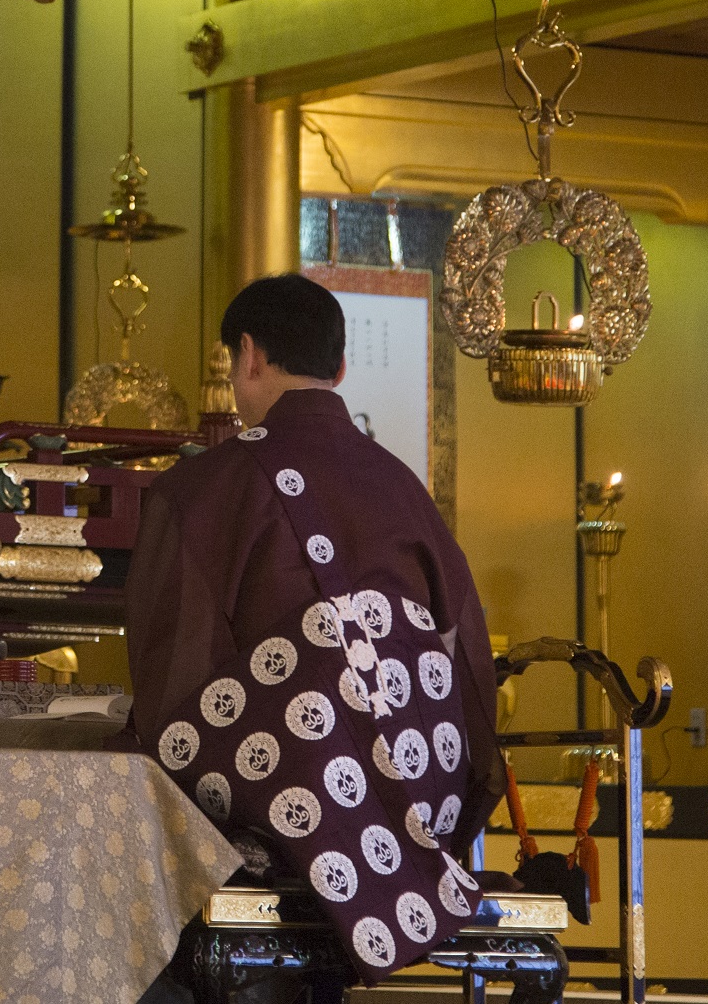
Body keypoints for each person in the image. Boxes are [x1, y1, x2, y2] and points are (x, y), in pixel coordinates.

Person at [126, 273, 503, 982]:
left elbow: (170, 690)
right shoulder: (402, 486)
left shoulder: (199, 489)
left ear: (247, 355)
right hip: (419, 809)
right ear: (338, 368)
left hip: (270, 824)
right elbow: (470, 670)